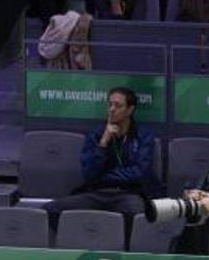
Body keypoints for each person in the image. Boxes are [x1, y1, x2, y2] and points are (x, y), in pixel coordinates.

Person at [43, 87, 159, 234]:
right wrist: (104, 141)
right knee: (50, 210)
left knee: (138, 215)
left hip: (128, 193)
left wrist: (105, 177)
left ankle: (126, 252)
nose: (112, 109)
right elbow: (89, 174)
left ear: (130, 110)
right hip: (97, 192)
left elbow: (139, 172)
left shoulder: (143, 136)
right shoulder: (96, 134)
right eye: (110, 104)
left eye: (118, 105)